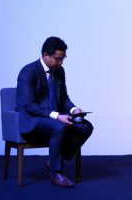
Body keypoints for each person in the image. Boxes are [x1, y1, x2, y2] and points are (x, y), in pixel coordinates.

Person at [16, 36, 93, 188]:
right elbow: (29, 105)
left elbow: (63, 98)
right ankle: (56, 174)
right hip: (32, 120)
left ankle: (53, 162)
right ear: (46, 55)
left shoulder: (59, 71)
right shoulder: (28, 72)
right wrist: (57, 116)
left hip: (54, 118)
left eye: (63, 59)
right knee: (60, 126)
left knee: (85, 126)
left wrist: (74, 109)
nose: (61, 63)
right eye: (58, 59)